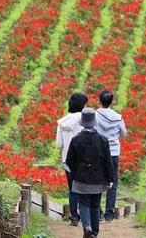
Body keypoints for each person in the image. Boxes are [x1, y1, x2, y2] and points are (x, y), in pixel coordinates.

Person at [66, 108, 114, 238]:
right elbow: (108, 162)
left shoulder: (76, 139)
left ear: (82, 122)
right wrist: (110, 178)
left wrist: (74, 174)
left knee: (83, 204)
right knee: (95, 205)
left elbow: (69, 161)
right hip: (98, 179)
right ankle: (95, 233)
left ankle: (87, 227)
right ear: (94, 122)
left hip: (81, 178)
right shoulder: (102, 140)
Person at [55, 92, 88, 226]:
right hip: (83, 159)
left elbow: (59, 144)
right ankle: (87, 215)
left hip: (67, 160)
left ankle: (74, 217)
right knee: (85, 187)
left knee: (72, 188)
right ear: (83, 105)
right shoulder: (85, 119)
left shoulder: (62, 122)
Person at [95, 89, 127, 222]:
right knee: (112, 183)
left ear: (99, 100)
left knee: (96, 181)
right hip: (113, 152)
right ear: (112, 101)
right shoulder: (118, 117)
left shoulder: (95, 115)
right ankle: (109, 214)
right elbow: (123, 134)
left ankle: (98, 212)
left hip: (98, 151)